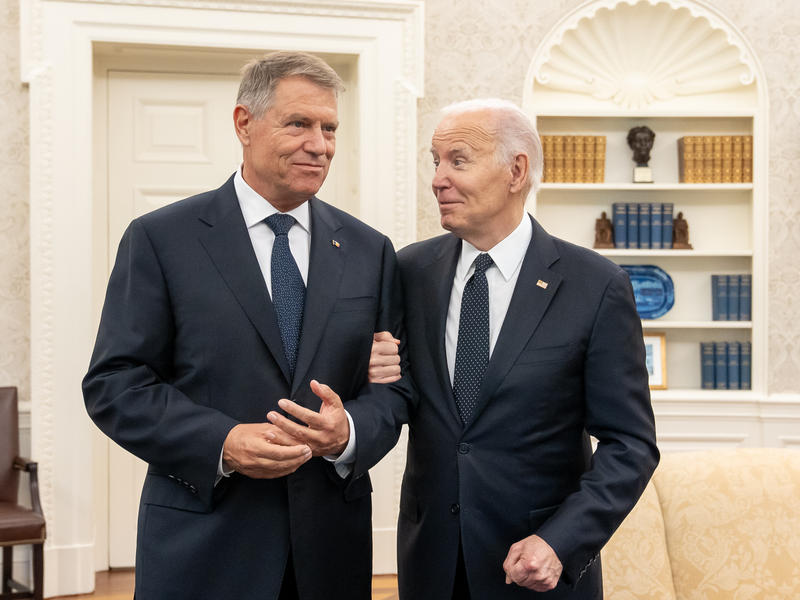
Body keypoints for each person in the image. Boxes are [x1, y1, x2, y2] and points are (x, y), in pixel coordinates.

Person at [83, 51, 412, 600]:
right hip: (203, 545)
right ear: (244, 123)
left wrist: (349, 432)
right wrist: (224, 441)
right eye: (298, 123)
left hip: (329, 551)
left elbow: (393, 388)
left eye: (330, 128)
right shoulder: (161, 239)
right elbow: (115, 384)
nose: (320, 144)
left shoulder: (369, 249)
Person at [384, 99, 659, 599]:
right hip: (431, 565)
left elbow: (630, 445)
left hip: (538, 571)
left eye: (458, 160)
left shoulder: (596, 286)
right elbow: (393, 394)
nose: (438, 179)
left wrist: (561, 541)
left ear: (516, 171)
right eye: (436, 161)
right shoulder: (408, 272)